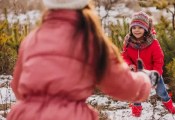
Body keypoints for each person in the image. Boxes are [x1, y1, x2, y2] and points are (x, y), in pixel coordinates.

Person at [6, 0, 158, 120]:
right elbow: (123, 86)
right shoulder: (92, 41)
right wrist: (145, 79)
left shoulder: (32, 39)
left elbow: (18, 87)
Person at [121, 10, 175, 116]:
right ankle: (136, 113)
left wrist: (156, 74)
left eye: (140, 27)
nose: (137, 30)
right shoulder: (128, 42)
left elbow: (159, 60)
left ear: (146, 29)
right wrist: (129, 65)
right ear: (130, 29)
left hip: (153, 73)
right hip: (137, 73)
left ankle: (170, 107)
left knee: (161, 92)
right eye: (134, 27)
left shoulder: (153, 43)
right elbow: (124, 55)